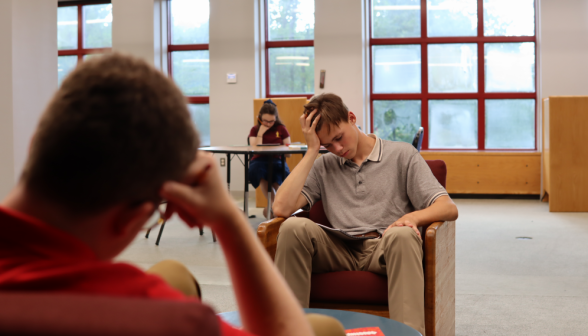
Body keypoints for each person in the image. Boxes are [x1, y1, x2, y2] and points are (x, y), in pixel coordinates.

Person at [0, 53, 344, 336]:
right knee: (323, 329)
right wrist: (228, 220)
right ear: (131, 219)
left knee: (170, 272)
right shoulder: (162, 318)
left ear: (34, 147)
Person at [272, 93, 459, 336]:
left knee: (403, 236)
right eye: (328, 145)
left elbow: (448, 207)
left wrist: (412, 218)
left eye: (339, 138)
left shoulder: (401, 154)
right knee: (291, 228)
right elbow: (281, 209)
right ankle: (290, 331)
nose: (337, 149)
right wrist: (312, 151)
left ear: (351, 118)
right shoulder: (323, 165)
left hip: (385, 245)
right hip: (340, 247)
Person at [248, 100, 291, 218]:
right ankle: (273, 206)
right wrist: (260, 133)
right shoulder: (254, 129)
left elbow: (289, 154)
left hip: (277, 160)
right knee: (260, 171)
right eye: (265, 121)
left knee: (279, 172)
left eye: (272, 121)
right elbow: (255, 149)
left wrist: (284, 148)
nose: (268, 124)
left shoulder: (282, 129)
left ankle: (273, 207)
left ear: (276, 118)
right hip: (259, 160)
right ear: (260, 118)